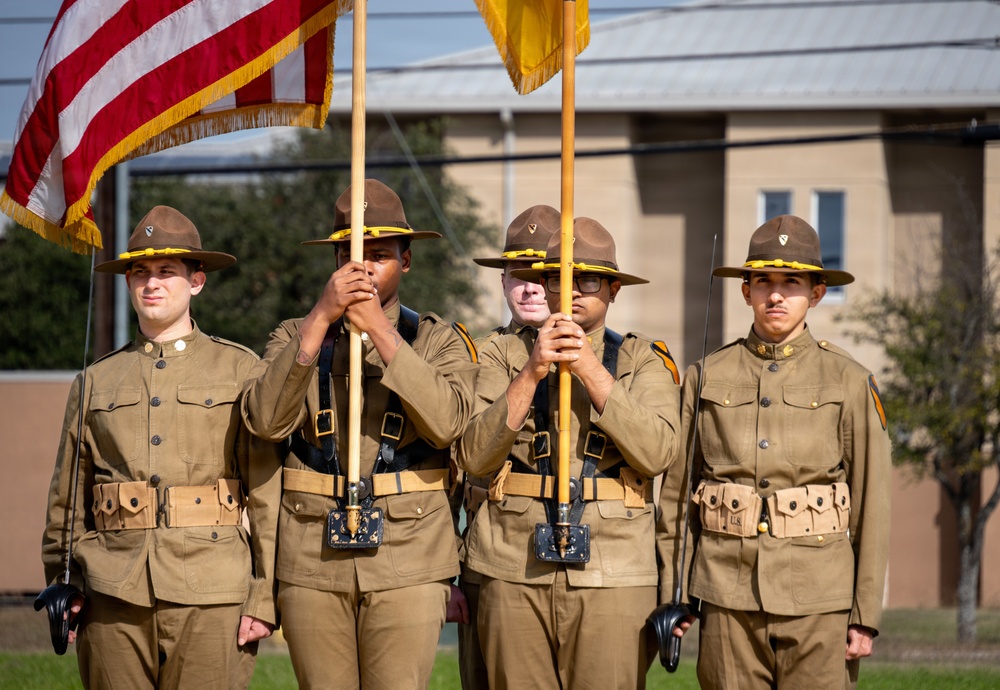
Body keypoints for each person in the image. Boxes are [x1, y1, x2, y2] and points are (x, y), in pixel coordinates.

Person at [241, 179, 479, 689]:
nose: (364, 265)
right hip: (311, 554)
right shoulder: (294, 333)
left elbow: (449, 424)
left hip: (410, 555)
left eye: (380, 254)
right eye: (350, 253)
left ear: (406, 261)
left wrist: (381, 332)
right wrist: (321, 320)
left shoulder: (439, 340)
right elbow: (265, 421)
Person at [41, 206, 280, 689]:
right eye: (139, 272)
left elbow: (266, 493)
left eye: (166, 272)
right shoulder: (95, 380)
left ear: (197, 282)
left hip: (214, 593)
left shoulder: (240, 370)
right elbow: (68, 495)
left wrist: (263, 595)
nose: (151, 283)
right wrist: (63, 577)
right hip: (111, 593)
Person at [657, 214, 892, 689]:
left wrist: (864, 612)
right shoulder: (706, 376)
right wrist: (673, 592)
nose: (776, 295)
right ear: (746, 290)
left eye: (792, 282)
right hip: (726, 596)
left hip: (819, 599)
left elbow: (873, 502)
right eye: (763, 281)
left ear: (817, 292)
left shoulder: (848, 380)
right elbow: (677, 498)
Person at [458, 217, 682, 689]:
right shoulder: (499, 352)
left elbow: (659, 451)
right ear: (544, 284)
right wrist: (533, 370)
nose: (574, 291)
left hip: (614, 569)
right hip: (512, 562)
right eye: (560, 278)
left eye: (589, 279)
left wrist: (589, 368)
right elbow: (474, 457)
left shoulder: (642, 358)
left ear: (614, 289)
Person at [458, 204, 559, 690]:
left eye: (544, 273)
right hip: (493, 553)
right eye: (517, 273)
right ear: (502, 281)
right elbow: (467, 459)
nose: (531, 285)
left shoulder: (615, 352)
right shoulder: (478, 355)